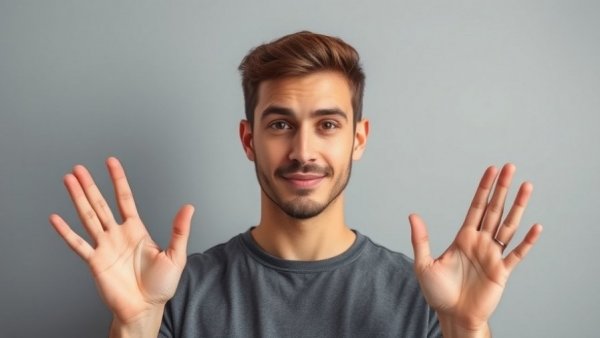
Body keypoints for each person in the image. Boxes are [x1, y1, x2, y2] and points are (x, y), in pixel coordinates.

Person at [49, 31, 543, 338]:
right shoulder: (176, 293)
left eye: (327, 124)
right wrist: (135, 326)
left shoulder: (427, 297)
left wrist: (466, 329)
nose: (304, 151)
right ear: (249, 139)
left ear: (359, 139)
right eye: (281, 124)